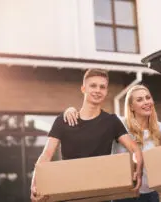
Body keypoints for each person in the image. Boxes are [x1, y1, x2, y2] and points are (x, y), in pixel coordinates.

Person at [64, 84, 161, 202]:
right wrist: (71, 111)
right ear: (131, 106)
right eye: (139, 99)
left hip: (151, 194)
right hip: (123, 195)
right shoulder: (118, 125)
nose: (146, 102)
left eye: (147, 97)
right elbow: (89, 126)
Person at [30, 69, 144, 202]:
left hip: (101, 194)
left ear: (106, 91)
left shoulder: (111, 121)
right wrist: (35, 181)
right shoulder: (63, 120)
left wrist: (138, 170)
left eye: (102, 87)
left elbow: (134, 148)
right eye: (93, 85)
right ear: (83, 89)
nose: (98, 90)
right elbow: (47, 154)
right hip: (71, 193)